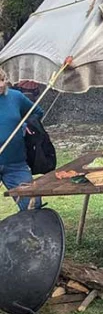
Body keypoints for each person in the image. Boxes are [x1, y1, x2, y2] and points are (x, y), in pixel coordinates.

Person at [0, 68, 43, 211]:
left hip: (15, 163)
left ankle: (29, 233)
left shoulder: (15, 97)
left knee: (32, 202)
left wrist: (26, 124)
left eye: (2, 79)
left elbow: (37, 112)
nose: (1, 84)